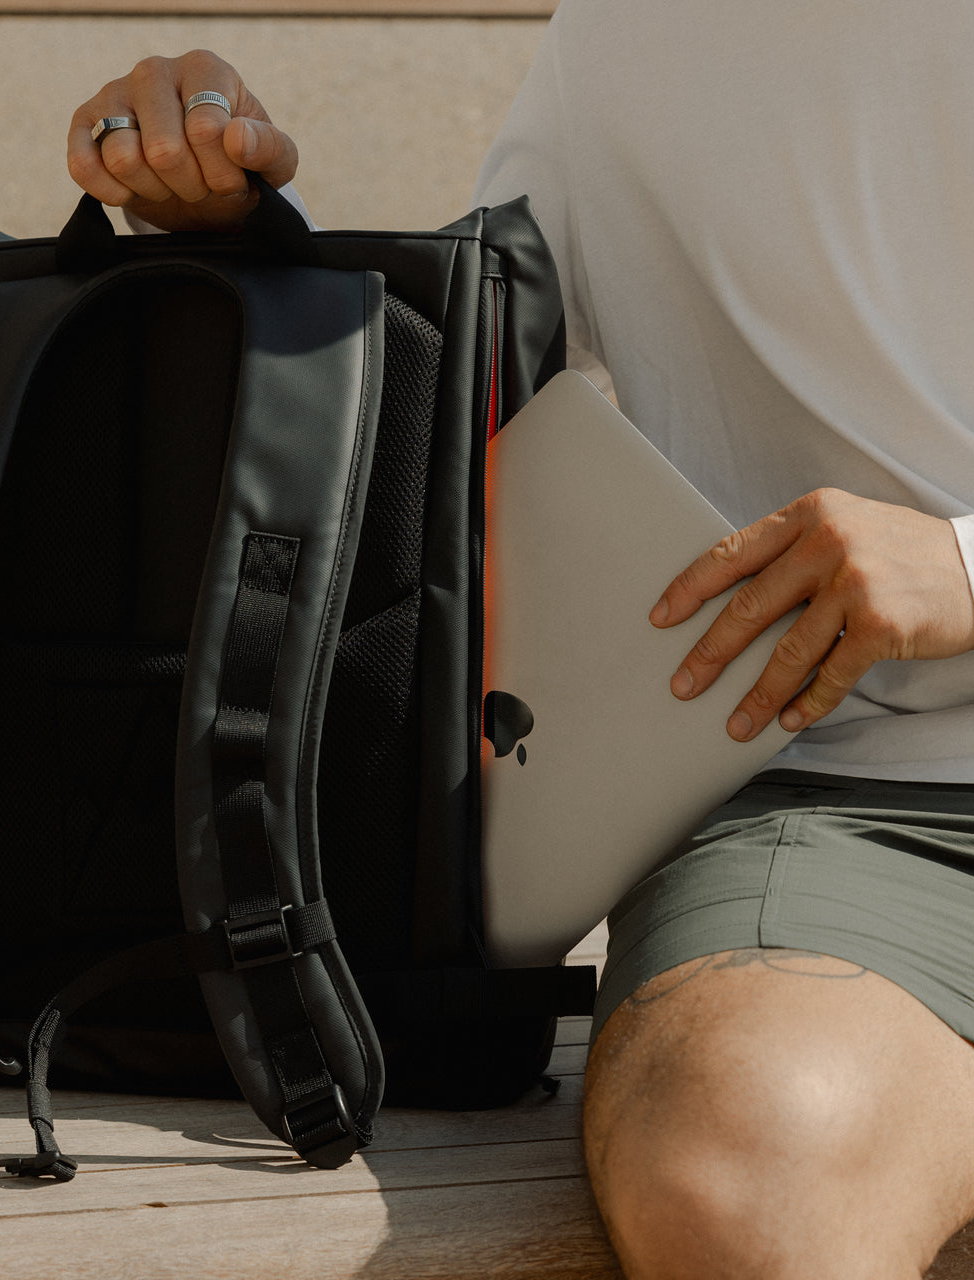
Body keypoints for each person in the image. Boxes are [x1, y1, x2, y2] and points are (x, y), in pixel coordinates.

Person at [67, 8, 974, 1275]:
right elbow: (465, 368)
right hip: (841, 815)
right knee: (742, 1173)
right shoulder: (632, 33)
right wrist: (230, 216)